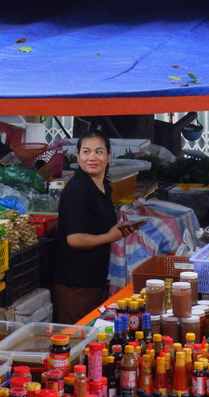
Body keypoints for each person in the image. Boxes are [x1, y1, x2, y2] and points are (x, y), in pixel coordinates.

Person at [52, 130, 142, 323]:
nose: (92, 157)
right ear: (77, 156)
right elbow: (74, 238)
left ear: (109, 155)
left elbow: (98, 226)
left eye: (98, 152)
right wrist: (110, 236)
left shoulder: (103, 186)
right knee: (75, 337)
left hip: (94, 278)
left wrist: (119, 229)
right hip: (75, 283)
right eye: (86, 152)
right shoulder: (77, 191)